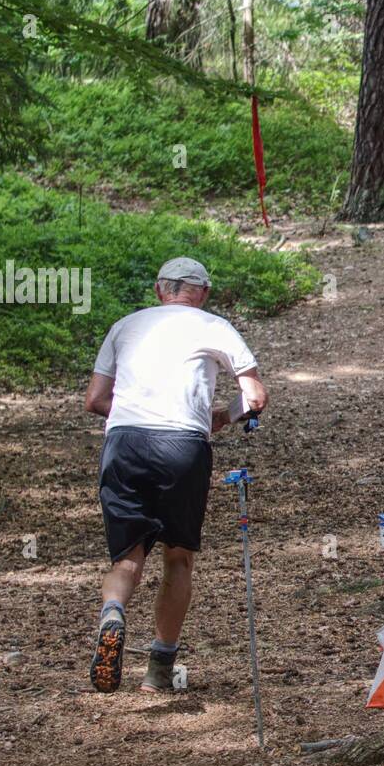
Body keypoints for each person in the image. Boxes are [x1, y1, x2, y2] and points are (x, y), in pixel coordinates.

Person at [83, 257, 268, 694]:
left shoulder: (124, 326)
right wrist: (224, 415)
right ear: (202, 292)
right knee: (178, 556)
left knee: (127, 557)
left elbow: (95, 400)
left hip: (125, 441)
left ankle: (113, 611)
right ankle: (158, 669)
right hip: (183, 445)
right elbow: (256, 396)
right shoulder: (214, 326)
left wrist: (134, 412)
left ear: (159, 290)